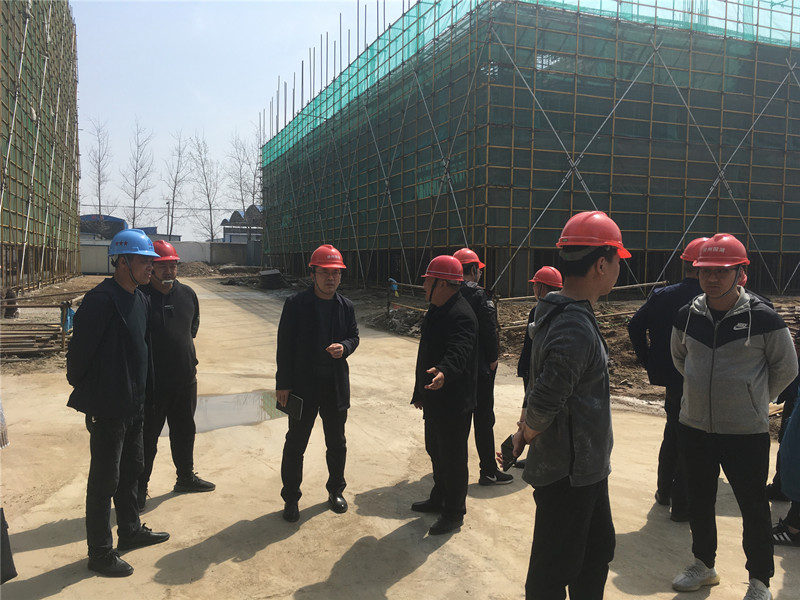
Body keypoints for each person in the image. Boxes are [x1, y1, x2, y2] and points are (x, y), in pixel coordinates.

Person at [505, 211, 628, 599]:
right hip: (570, 472)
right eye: (617, 260)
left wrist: (525, 429)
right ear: (601, 264)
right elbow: (547, 396)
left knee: (595, 553)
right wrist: (526, 432)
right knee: (552, 571)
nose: (619, 268)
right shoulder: (573, 324)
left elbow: (541, 382)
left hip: (584, 467)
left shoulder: (556, 308)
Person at [670, 233, 798, 600]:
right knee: (699, 501)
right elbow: (680, 360)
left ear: (741, 272)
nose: (711, 278)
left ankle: (759, 581)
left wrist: (754, 399)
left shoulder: (764, 318)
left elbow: (786, 368)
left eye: (721, 271)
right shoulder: (687, 315)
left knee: (753, 508)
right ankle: (703, 565)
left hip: (745, 432)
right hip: (695, 427)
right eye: (705, 271)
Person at [66, 229, 170, 577]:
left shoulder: (140, 299)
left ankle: (130, 530)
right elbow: (78, 358)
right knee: (104, 482)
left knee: (131, 471)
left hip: (134, 406)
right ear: (122, 262)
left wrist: (147, 394)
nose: (151, 268)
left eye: (152, 262)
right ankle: (99, 552)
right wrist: (95, 395)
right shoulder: (101, 301)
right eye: (144, 262)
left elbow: (143, 350)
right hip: (108, 408)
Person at [276, 244, 359, 523]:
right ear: (313, 274)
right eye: (325, 272)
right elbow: (284, 346)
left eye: (336, 272)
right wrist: (283, 384)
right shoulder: (296, 305)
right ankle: (291, 498)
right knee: (295, 444)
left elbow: (354, 336)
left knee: (337, 443)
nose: (331, 278)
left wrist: (345, 347)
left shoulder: (346, 307)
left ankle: (336, 490)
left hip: (334, 387)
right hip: (303, 386)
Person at [627, 237, 706, 522]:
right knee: (693, 439)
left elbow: (635, 325)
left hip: (672, 378)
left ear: (684, 264)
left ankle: (664, 492)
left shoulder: (663, 295)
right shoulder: (713, 299)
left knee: (673, 431)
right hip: (701, 381)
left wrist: (648, 359)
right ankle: (682, 506)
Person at [137, 240, 214, 510]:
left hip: (185, 379)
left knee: (184, 431)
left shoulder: (188, 294)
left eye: (173, 265)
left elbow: (192, 329)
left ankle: (185, 477)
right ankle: (139, 488)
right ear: (151, 267)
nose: (169, 271)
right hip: (153, 384)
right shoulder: (141, 298)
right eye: (163, 266)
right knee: (147, 439)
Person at [410, 254, 478, 535]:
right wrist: (420, 392)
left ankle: (454, 512)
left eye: (427, 281)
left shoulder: (461, 314)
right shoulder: (438, 308)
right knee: (435, 450)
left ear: (441, 284)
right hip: (434, 396)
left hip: (453, 401)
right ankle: (439, 497)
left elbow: (459, 351)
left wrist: (444, 372)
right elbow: (426, 353)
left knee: (453, 458)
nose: (423, 286)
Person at [453, 247, 511, 486]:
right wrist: (493, 358)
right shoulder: (479, 295)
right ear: (474, 270)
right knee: (484, 419)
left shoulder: (448, 293)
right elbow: (488, 328)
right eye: (479, 270)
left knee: (458, 422)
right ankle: (488, 470)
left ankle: (453, 473)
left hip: (455, 368)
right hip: (480, 369)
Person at [514, 266, 563, 470]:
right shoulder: (564, 310)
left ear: (542, 288)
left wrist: (524, 368)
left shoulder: (539, 311)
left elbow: (530, 346)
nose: (534, 289)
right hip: (548, 370)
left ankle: (536, 455)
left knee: (534, 411)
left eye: (535, 285)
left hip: (535, 370)